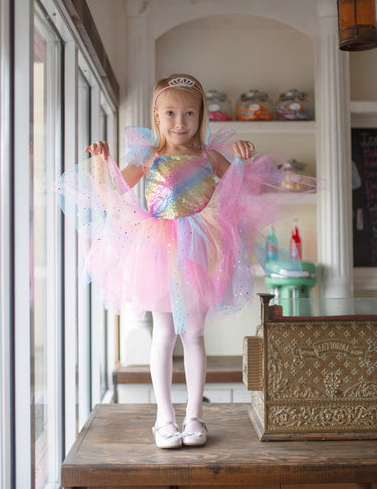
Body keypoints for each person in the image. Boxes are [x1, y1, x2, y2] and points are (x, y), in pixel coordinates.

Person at [57, 73, 308, 449]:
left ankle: (194, 416)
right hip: (158, 250)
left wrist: (243, 159)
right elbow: (111, 194)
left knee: (193, 333)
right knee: (164, 335)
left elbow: (247, 188)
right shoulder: (148, 157)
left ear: (201, 116)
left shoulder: (209, 157)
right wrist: (101, 162)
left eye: (189, 113)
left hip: (201, 251)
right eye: (171, 113)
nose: (180, 122)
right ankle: (164, 418)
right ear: (156, 116)